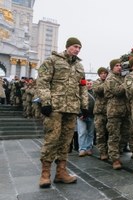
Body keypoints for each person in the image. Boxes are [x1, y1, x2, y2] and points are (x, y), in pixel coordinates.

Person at [36, 37, 88, 188]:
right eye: (75, 46)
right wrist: (46, 101)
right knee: (52, 139)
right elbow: (43, 81)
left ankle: (61, 172)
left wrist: (83, 106)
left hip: (71, 109)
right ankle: (45, 174)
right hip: (55, 108)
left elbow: (83, 87)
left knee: (66, 141)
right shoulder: (52, 60)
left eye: (79, 47)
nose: (77, 49)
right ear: (67, 47)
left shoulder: (79, 66)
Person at [104, 59, 132, 170]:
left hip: (125, 111)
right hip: (114, 111)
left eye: (120, 65)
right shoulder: (110, 78)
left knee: (125, 134)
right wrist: (127, 81)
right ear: (112, 68)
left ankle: (118, 152)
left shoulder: (121, 77)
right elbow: (118, 91)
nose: (119, 67)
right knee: (114, 136)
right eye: (116, 65)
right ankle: (114, 159)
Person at [93, 67, 109, 160]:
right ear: (99, 74)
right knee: (100, 133)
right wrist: (108, 82)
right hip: (99, 112)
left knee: (109, 133)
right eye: (102, 73)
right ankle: (103, 152)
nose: (104, 75)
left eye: (105, 73)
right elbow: (98, 90)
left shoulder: (109, 81)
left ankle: (109, 151)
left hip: (109, 111)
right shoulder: (97, 82)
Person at [77, 80, 95, 157]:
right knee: (82, 133)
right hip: (82, 116)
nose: (89, 85)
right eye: (88, 84)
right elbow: (76, 103)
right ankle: (82, 149)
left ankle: (88, 148)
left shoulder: (95, 93)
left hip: (92, 115)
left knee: (90, 133)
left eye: (90, 84)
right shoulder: (80, 92)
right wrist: (79, 113)